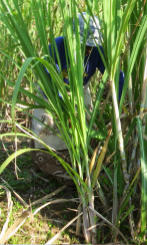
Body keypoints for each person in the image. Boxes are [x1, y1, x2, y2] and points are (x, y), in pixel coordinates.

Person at [31, 12, 124, 179]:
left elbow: (114, 74)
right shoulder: (57, 46)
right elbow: (50, 80)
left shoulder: (97, 51)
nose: (88, 50)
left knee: (85, 129)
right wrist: (66, 109)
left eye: (91, 46)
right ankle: (48, 165)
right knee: (48, 130)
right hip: (51, 91)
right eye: (84, 45)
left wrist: (123, 95)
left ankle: (79, 163)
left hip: (80, 89)